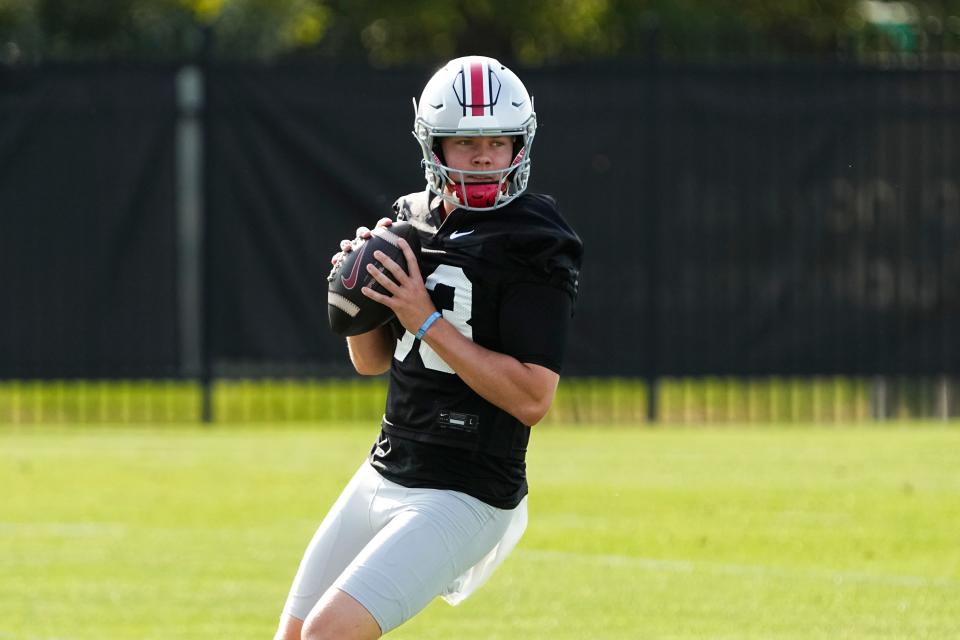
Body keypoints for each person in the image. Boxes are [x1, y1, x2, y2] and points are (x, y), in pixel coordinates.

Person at [275, 55, 582, 640]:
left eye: (498, 140)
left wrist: (426, 319)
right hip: (386, 467)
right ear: (433, 147)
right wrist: (360, 287)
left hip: (466, 489)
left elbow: (533, 399)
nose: (485, 156)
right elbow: (368, 362)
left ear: (521, 142)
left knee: (326, 636)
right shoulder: (410, 221)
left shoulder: (536, 240)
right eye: (466, 142)